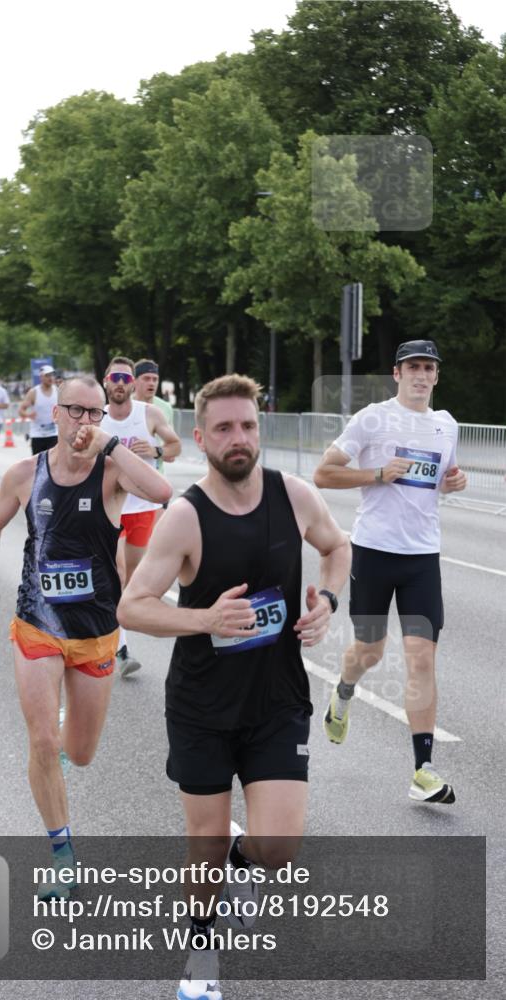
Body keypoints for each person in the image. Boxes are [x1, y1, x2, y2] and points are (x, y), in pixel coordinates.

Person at [118, 374, 350, 1000]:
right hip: (203, 707)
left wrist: (326, 598)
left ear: (259, 429)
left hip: (277, 701)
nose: (238, 438)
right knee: (206, 847)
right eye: (223, 428)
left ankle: (241, 872)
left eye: (247, 425)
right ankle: (200, 948)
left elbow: (337, 547)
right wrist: (203, 619)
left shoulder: (295, 497)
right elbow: (132, 608)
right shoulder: (186, 518)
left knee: (277, 845)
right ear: (200, 438)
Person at [0, 375, 171, 891]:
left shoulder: (111, 475)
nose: (85, 421)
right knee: (42, 742)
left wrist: (113, 447)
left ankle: (63, 726)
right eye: (76, 411)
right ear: (54, 414)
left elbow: (162, 491)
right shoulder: (23, 474)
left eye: (95, 413)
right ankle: (62, 854)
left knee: (79, 753)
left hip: (96, 631)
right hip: (37, 624)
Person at [313, 340, 467, 804]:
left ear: (436, 377)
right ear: (397, 374)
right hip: (374, 552)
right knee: (370, 652)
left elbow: (445, 476)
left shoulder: (447, 425)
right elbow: (324, 473)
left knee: (422, 657)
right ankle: (343, 692)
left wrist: (456, 481)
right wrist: (377, 473)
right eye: (413, 367)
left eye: (429, 368)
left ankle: (423, 770)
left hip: (423, 558)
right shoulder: (372, 419)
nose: (421, 375)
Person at [101, 356, 181, 677]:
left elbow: (175, 446)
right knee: (117, 574)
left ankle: (115, 632)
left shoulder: (149, 414)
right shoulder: (97, 416)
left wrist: (156, 451)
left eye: (125, 378)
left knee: (130, 581)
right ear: (106, 381)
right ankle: (120, 648)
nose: (120, 383)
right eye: (115, 378)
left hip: (143, 509)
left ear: (132, 383)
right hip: (109, 507)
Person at [133, 358, 176, 522]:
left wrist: (155, 451)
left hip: (157, 480)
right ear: (135, 381)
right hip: (129, 482)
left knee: (155, 537)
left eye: (155, 379)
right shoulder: (124, 404)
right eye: (146, 378)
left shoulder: (164, 407)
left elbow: (171, 452)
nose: (151, 383)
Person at [18, 365, 58, 454]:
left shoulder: (57, 391)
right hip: (37, 434)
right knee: (38, 463)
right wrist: (28, 415)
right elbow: (21, 410)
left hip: (54, 433)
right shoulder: (34, 392)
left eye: (52, 375)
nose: (50, 378)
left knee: (53, 463)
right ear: (41, 377)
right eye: (47, 375)